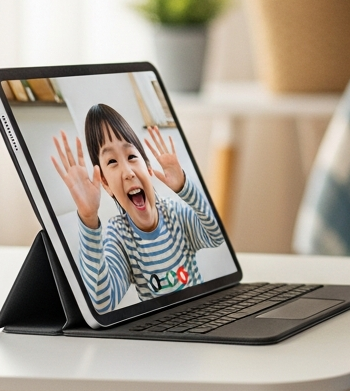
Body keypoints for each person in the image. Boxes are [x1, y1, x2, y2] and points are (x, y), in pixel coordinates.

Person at [52, 103, 224, 312]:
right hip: (159, 336)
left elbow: (216, 235)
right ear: (106, 184)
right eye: (112, 161)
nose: (128, 172)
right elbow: (101, 301)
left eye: (132, 157)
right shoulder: (119, 236)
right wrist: (88, 219)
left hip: (201, 317)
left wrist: (184, 188)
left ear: (148, 167)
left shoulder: (175, 214)